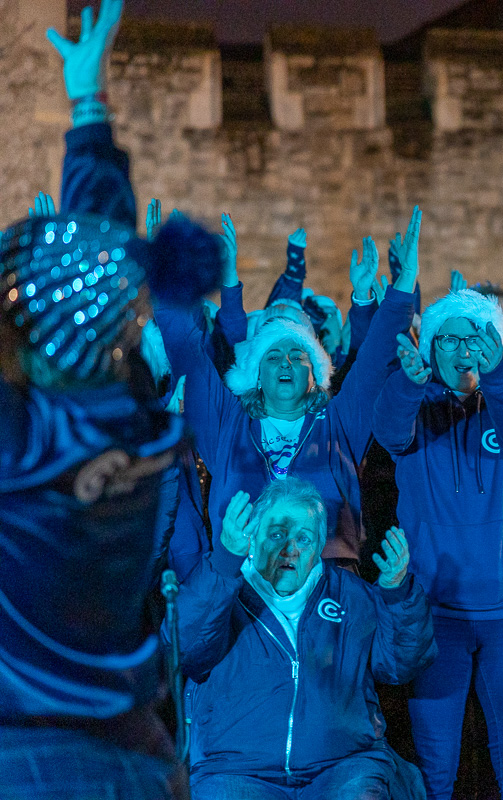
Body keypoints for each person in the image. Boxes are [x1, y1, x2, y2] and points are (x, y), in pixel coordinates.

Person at [0, 1, 222, 796]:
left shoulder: (20, 443)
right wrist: (89, 104)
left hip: (30, 756)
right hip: (138, 756)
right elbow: (99, 269)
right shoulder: (139, 421)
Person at [155, 212, 422, 566]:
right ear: (256, 376)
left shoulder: (338, 423)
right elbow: (187, 352)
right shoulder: (227, 425)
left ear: (315, 374)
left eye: (298, 355)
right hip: (245, 587)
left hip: (329, 586)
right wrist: (166, 278)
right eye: (273, 356)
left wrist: (403, 288)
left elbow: (374, 361)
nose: (285, 362)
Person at [373, 287, 503, 800]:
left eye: (476, 336)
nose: (462, 348)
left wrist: (499, 377)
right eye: (448, 337)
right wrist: (409, 380)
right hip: (435, 611)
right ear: (431, 348)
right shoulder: (413, 406)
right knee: (435, 771)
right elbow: (388, 431)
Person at [176, 477, 435, 799]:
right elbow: (184, 651)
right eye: (277, 535)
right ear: (252, 538)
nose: (290, 550)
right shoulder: (222, 589)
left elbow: (399, 666)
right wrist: (225, 561)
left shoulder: (350, 595)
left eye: (304, 539)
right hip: (236, 769)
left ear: (319, 548)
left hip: (342, 765)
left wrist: (396, 594)